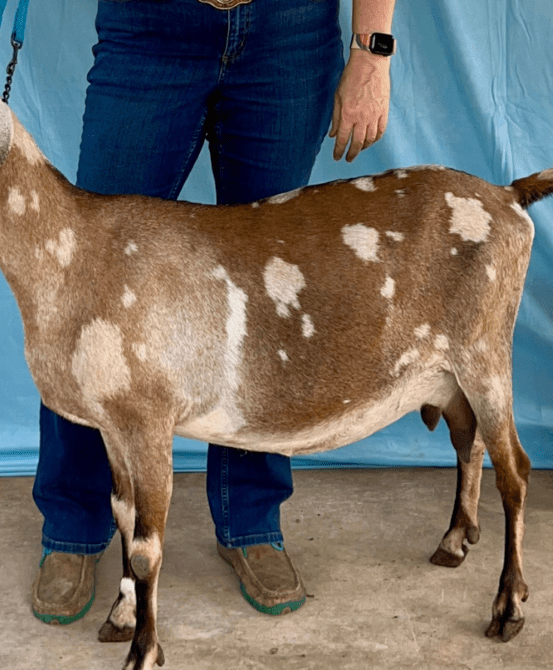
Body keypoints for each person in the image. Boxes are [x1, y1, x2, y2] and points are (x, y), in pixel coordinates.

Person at [31, 0, 397, 626]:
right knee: (94, 286)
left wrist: (372, 48)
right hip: (150, 30)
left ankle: (251, 519)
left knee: (269, 295)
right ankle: (73, 527)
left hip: (289, 34)